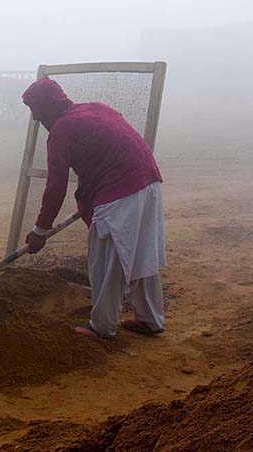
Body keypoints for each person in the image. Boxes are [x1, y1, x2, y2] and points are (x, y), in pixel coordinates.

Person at [22, 78, 166, 339]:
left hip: (119, 190)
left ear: (49, 105)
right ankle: (150, 319)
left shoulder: (61, 131)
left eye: (36, 110)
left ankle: (102, 326)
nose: (35, 119)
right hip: (149, 183)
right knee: (141, 254)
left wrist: (39, 231)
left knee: (106, 261)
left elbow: (56, 186)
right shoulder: (96, 108)